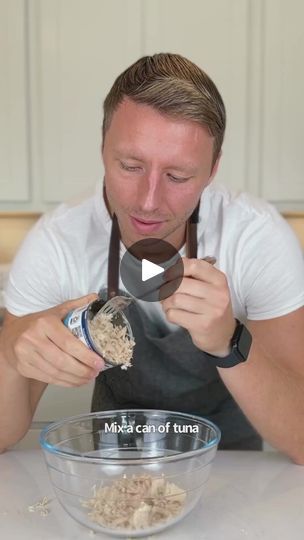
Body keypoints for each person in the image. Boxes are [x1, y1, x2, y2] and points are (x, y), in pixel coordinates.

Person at [1, 53, 304, 461]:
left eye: (178, 177)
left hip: (229, 472)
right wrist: (8, 351)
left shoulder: (255, 236)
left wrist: (228, 342)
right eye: (130, 166)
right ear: (103, 148)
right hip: (110, 466)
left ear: (213, 170)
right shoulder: (58, 241)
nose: (148, 202)